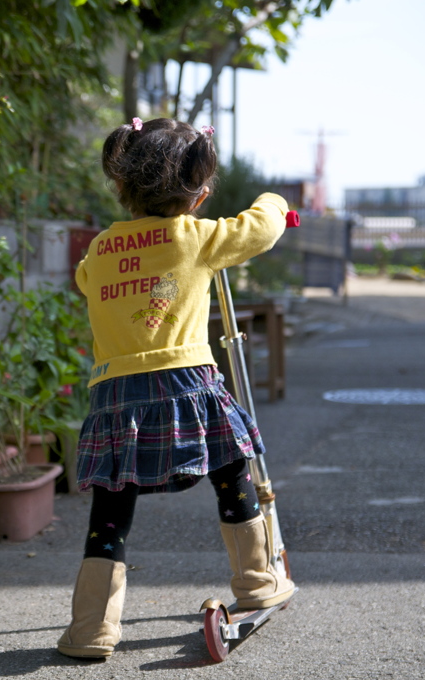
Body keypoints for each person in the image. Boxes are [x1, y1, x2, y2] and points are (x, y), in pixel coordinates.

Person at [57, 117, 295, 659]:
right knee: (231, 468)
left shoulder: (100, 250)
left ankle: (92, 627)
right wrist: (276, 202)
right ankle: (258, 581)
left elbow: (84, 280)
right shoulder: (197, 237)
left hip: (116, 394)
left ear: (123, 186)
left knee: (112, 508)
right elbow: (257, 229)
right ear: (199, 196)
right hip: (185, 381)